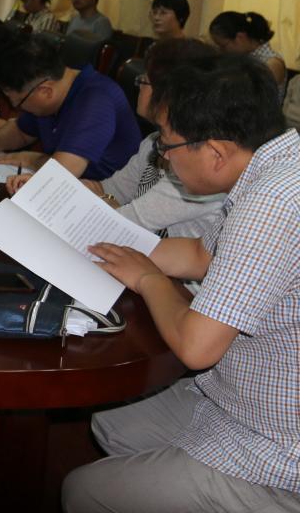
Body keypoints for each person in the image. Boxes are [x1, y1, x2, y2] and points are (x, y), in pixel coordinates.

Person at [63, 53, 300, 513]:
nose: (164, 159)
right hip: (237, 397)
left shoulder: (271, 204)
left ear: (215, 152)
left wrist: (147, 278)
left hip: (277, 445)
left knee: (83, 490)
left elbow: (196, 347)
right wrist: (94, 244)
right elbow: (199, 255)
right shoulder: (275, 165)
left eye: (168, 147)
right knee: (113, 425)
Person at [81, 38, 223, 238]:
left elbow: (123, 224)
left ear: (168, 94)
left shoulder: (198, 163)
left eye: (144, 80)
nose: (139, 85)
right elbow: (111, 189)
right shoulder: (153, 142)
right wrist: (102, 197)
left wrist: (106, 200)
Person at [0, 32, 140, 191]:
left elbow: (61, 174)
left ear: (46, 92)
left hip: (107, 199)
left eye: (19, 103)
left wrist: (33, 160)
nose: (18, 108)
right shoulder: (50, 93)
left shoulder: (97, 100)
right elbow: (21, 131)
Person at [209, 10, 286, 102]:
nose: (221, 51)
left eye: (223, 46)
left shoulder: (272, 64)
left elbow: (254, 101)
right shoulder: (244, 58)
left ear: (240, 38)